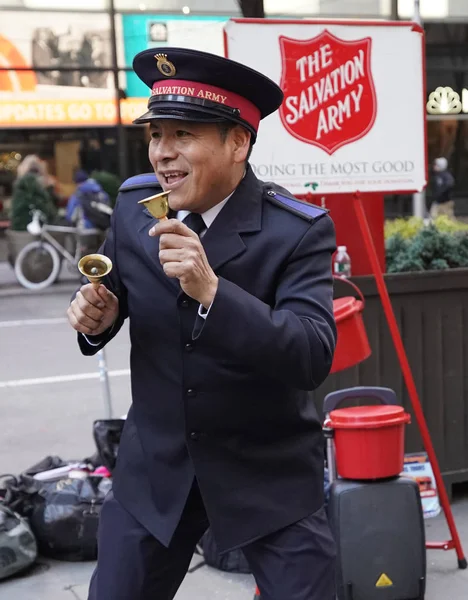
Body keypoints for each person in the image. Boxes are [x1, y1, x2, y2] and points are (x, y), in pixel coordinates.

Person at [67, 47, 337, 600]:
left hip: (267, 471)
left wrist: (212, 290)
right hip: (157, 467)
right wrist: (95, 318)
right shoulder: (134, 206)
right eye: (156, 135)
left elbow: (311, 354)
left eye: (183, 135)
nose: (162, 155)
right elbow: (111, 297)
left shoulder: (297, 231)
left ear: (238, 142)